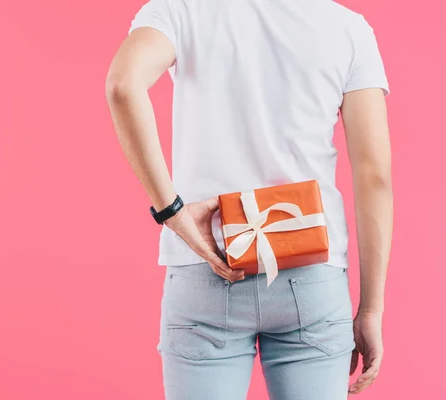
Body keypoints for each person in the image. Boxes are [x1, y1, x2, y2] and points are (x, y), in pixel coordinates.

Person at [105, 0, 393, 398]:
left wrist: (172, 211)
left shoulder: (179, 10)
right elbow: (374, 175)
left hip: (207, 261)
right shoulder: (347, 28)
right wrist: (371, 309)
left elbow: (123, 85)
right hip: (311, 272)